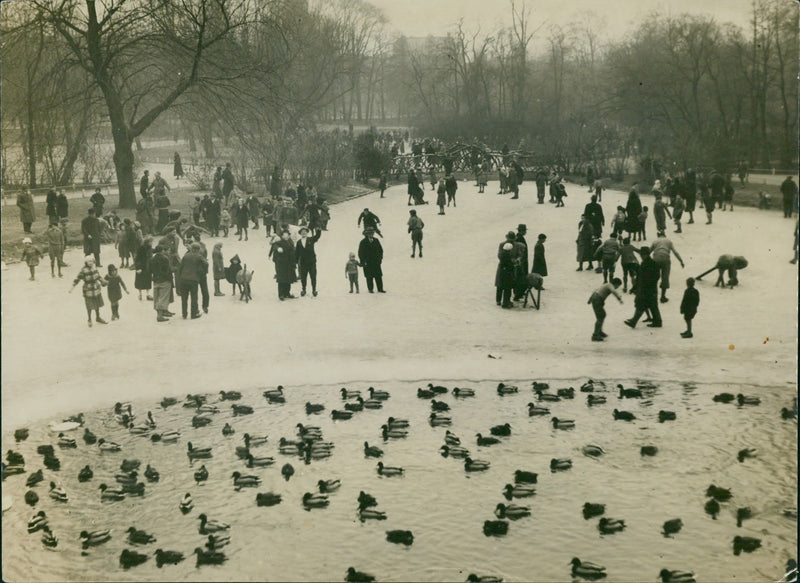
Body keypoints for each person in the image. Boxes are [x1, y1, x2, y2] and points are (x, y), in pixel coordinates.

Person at [624, 246, 662, 329]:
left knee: (641, 304)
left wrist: (646, 285)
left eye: (642, 254)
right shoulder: (649, 263)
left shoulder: (649, 263)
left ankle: (634, 321)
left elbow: (653, 276)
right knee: (652, 305)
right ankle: (657, 321)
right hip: (649, 288)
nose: (641, 256)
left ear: (646, 254)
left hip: (647, 288)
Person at [70, 256, 107, 326]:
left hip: (96, 288)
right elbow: (77, 279)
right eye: (89, 261)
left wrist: (103, 281)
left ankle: (98, 317)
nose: (90, 263)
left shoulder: (94, 267)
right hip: (88, 289)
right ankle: (89, 319)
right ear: (86, 262)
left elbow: (98, 276)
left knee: (97, 303)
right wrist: (72, 287)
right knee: (89, 305)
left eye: (92, 261)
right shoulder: (83, 270)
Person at [650, 230, 684, 303]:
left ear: (658, 235)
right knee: (665, 277)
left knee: (654, 277)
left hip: (655, 259)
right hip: (666, 259)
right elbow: (675, 252)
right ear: (665, 235)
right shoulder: (668, 241)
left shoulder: (655, 241)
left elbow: (649, 251)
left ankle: (653, 295)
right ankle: (663, 296)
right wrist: (681, 261)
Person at [177, 243, 207, 319]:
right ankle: (193, 314)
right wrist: (203, 272)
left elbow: (180, 267)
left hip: (183, 279)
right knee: (194, 297)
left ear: (191, 248)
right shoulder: (199, 256)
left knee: (184, 298)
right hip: (193, 280)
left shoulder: (185, 256)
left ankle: (184, 314)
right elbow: (206, 263)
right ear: (198, 249)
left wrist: (180, 277)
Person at [589, 277, 623, 341]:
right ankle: (595, 335)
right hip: (598, 300)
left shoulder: (606, 284)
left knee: (602, 315)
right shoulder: (610, 286)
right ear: (615, 284)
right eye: (618, 286)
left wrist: (590, 299)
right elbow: (613, 291)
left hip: (596, 299)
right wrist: (619, 298)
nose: (617, 287)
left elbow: (595, 290)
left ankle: (599, 331)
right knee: (600, 317)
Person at [150, 245, 174, 322]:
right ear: (162, 251)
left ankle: (161, 313)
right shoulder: (165, 259)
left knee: (157, 297)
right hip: (164, 280)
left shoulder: (152, 259)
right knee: (163, 298)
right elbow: (168, 270)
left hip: (156, 280)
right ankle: (159, 316)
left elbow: (149, 270)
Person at [296, 227, 321, 297]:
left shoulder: (311, 239)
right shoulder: (298, 242)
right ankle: (303, 290)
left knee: (313, 276)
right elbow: (297, 253)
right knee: (303, 277)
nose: (303, 233)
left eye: (305, 231)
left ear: (307, 233)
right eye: (302, 232)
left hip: (312, 262)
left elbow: (317, 236)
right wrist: (295, 262)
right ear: (300, 233)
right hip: (303, 263)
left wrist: (318, 230)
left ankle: (314, 290)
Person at [358, 228, 385, 293]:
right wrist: (363, 261)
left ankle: (380, 289)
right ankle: (370, 289)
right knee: (369, 276)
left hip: (376, 262)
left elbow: (380, 250)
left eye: (372, 233)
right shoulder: (363, 242)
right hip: (367, 262)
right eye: (369, 233)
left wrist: (380, 259)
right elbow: (360, 253)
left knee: (378, 276)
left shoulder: (376, 240)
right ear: (366, 234)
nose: (371, 234)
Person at [272, 230, 297, 300]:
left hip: (289, 264)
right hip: (281, 264)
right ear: (282, 236)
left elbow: (293, 250)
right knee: (281, 280)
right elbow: (274, 245)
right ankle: (281, 294)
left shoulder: (290, 242)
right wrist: (278, 248)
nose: (286, 236)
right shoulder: (279, 242)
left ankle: (287, 293)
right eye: (284, 235)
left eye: (287, 235)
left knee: (288, 280)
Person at [495, 242, 515, 309]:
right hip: (507, 274)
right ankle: (506, 303)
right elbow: (510, 266)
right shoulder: (508, 256)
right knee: (507, 288)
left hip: (501, 273)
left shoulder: (502, 254)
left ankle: (498, 300)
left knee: (499, 287)